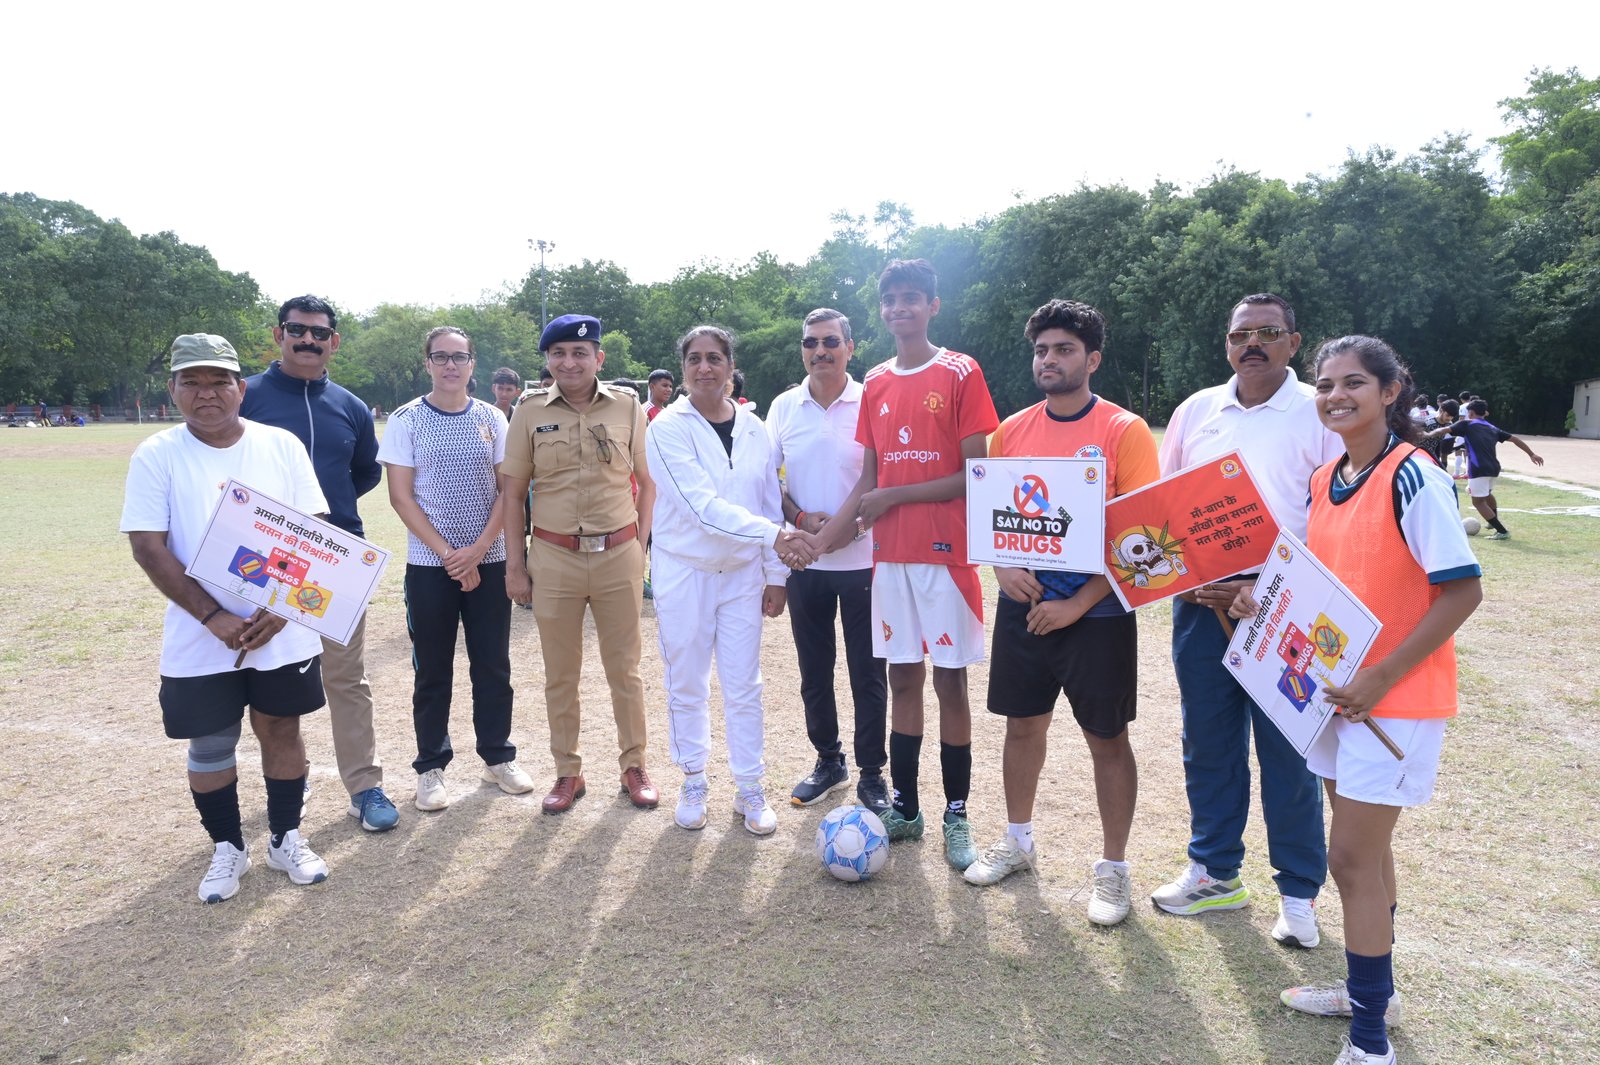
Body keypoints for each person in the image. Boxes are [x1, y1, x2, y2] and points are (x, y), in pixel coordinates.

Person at [1232, 336, 1483, 1065]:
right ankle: (1376, 995)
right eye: (1325, 384)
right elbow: (1317, 577)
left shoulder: (1414, 476)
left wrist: (1381, 676)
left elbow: (1462, 590)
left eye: (1354, 383)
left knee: (1348, 859)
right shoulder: (1325, 477)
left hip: (1391, 700)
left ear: (1391, 391)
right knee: (1367, 855)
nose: (1336, 395)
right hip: (1336, 695)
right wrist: (1259, 598)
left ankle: (1371, 1042)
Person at [960, 300, 1159, 928]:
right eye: (1042, 350)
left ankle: (1113, 868)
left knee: (1107, 738)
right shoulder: (1010, 431)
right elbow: (992, 513)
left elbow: (1145, 538)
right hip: (1023, 607)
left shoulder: (1124, 430)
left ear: (1092, 359)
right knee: (1022, 727)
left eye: (1064, 350)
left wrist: (1078, 603)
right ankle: (1017, 842)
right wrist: (1002, 567)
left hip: (1095, 615)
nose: (1049, 359)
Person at [1153, 293, 1342, 947]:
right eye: (1240, 335)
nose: (1252, 344)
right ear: (1227, 343)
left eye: (1267, 332)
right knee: (1208, 743)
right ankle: (1215, 871)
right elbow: (1163, 509)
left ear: (1294, 341)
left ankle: (1298, 892)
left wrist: (1267, 588)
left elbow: (1336, 520)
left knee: (1289, 755)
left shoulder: (1319, 412)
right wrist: (1189, 579)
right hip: (1202, 604)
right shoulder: (1195, 411)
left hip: (1286, 608)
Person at [121, 333, 331, 902]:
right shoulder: (157, 453)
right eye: (191, 382)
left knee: (282, 729)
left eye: (219, 382)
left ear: (241, 388)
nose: (206, 393)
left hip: (279, 628)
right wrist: (211, 615)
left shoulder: (280, 444)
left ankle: (285, 838)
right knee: (211, 740)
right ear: (172, 390)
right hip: (200, 632)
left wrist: (282, 608)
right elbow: (148, 546)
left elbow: (312, 532)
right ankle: (227, 847)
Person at [820, 258, 999, 870]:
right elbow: (869, 483)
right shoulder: (874, 380)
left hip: (945, 557)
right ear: (881, 309)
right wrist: (821, 541)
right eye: (890, 299)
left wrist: (895, 497)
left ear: (932, 305)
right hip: (890, 558)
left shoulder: (960, 371)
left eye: (911, 298)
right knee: (902, 681)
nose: (900, 308)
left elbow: (975, 475)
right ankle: (906, 808)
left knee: (950, 682)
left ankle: (957, 814)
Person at [241, 295, 398, 833]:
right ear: (278, 334)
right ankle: (290, 777)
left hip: (336, 557)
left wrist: (324, 522)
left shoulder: (350, 405)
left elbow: (365, 473)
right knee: (270, 675)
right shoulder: (247, 396)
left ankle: (364, 785)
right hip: (263, 558)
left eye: (319, 333)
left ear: (334, 341)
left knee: (347, 677)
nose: (308, 340)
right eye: (297, 330)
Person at [648, 324, 814, 835]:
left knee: (744, 684)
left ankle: (749, 786)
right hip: (685, 571)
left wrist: (775, 575)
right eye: (694, 359)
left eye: (714, 358)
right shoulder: (666, 428)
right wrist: (776, 537)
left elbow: (767, 500)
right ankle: (694, 779)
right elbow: (700, 508)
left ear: (730, 366)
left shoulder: (755, 428)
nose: (704, 368)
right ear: (683, 369)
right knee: (687, 681)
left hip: (742, 575)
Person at [501, 315, 660, 814]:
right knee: (560, 674)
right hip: (554, 559)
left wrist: (640, 546)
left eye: (579, 353)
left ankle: (634, 765)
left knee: (625, 670)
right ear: (548, 361)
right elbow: (512, 495)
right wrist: (515, 566)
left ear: (598, 358)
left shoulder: (628, 406)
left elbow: (647, 483)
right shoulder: (528, 411)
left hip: (618, 555)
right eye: (559, 354)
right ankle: (568, 771)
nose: (569, 362)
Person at [379, 326, 532, 811]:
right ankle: (431, 766)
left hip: (489, 560)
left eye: (459, 357)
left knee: (493, 665)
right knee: (432, 669)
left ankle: (497, 755)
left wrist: (479, 549)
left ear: (472, 364)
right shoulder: (406, 419)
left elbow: (508, 491)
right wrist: (450, 554)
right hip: (431, 565)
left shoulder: (492, 417)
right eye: (440, 357)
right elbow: (401, 497)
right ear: (427, 363)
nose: (450, 365)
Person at [765, 308, 889, 814]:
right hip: (805, 564)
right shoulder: (783, 407)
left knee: (868, 673)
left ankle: (872, 772)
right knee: (814, 671)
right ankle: (828, 760)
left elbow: (885, 478)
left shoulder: (873, 400)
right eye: (811, 342)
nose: (820, 351)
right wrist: (798, 516)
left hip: (864, 562)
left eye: (831, 341)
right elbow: (766, 482)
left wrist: (849, 529)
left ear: (850, 348)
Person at [1429, 399, 1544, 539]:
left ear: (1471, 413)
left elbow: (1443, 430)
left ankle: (1502, 531)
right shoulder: (1492, 427)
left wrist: (1427, 434)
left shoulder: (1467, 424)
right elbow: (1514, 439)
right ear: (1484, 413)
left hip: (1479, 469)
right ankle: (1492, 521)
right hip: (1494, 468)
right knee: (1487, 494)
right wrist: (1531, 454)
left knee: (1478, 502)